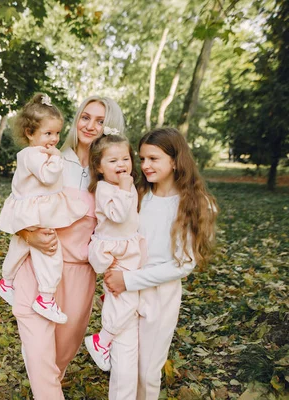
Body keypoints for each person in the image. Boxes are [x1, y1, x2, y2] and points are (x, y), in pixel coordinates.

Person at [10, 96, 126, 399]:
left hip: (80, 275)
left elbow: (123, 226)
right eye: (85, 117)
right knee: (38, 352)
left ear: (109, 127)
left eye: (100, 121)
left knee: (59, 357)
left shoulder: (113, 172)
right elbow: (17, 205)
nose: (90, 126)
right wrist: (27, 233)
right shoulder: (48, 158)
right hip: (38, 266)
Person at [104, 127, 217, 400]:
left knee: (146, 373)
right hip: (124, 294)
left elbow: (184, 264)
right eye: (141, 159)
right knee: (123, 370)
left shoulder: (194, 204)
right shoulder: (138, 195)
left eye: (153, 159)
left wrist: (128, 280)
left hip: (160, 297)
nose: (144, 166)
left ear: (175, 160)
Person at [0, 93, 89, 324]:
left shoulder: (28, 153)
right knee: (49, 252)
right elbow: (48, 177)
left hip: (29, 209)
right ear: (30, 133)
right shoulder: (35, 154)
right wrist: (57, 158)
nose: (54, 139)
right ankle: (46, 297)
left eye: (57, 133)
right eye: (48, 133)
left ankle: (6, 281)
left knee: (19, 246)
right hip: (37, 211)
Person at [83, 130, 146, 372]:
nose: (121, 165)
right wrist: (125, 186)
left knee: (127, 296)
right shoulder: (105, 189)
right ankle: (101, 341)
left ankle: (109, 299)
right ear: (99, 167)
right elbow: (119, 215)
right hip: (113, 251)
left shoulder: (122, 186)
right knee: (129, 300)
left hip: (125, 248)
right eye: (113, 161)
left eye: (125, 159)